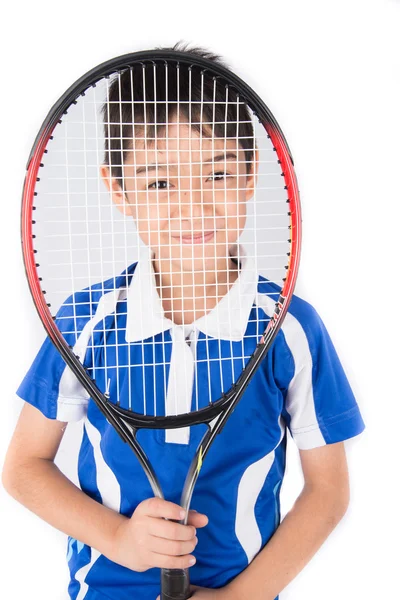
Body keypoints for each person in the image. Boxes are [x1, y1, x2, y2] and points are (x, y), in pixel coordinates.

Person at [2, 43, 365, 600]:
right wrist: (118, 537)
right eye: (159, 183)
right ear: (117, 188)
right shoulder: (85, 321)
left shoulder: (289, 329)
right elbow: (24, 467)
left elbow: (328, 492)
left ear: (250, 177)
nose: (192, 208)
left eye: (217, 176)